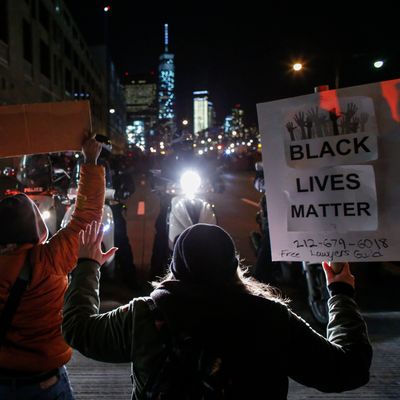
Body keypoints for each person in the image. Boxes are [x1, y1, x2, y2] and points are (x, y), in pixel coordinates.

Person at [63, 222, 372, 399]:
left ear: (176, 266)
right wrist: (341, 294)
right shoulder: (271, 317)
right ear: (232, 264)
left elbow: (78, 328)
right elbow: (347, 370)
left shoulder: (145, 314)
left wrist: (88, 267)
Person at [0, 136, 105, 400]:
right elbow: (87, 215)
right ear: (37, 227)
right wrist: (90, 162)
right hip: (46, 381)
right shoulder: (50, 258)